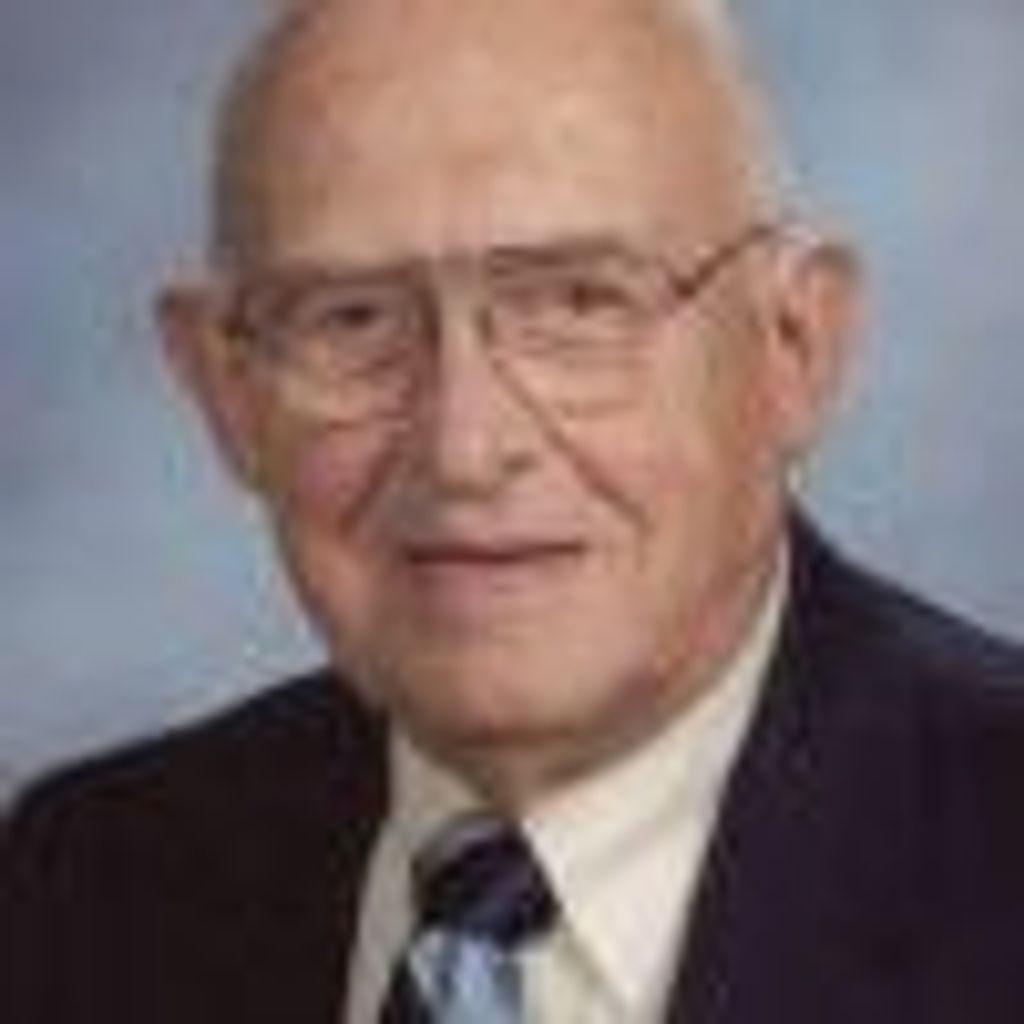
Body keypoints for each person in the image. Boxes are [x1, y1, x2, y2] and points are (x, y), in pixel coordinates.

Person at [4, 0, 1024, 1020]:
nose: (464, 448)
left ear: (794, 346)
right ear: (226, 392)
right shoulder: (88, 878)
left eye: (579, 304)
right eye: (352, 319)